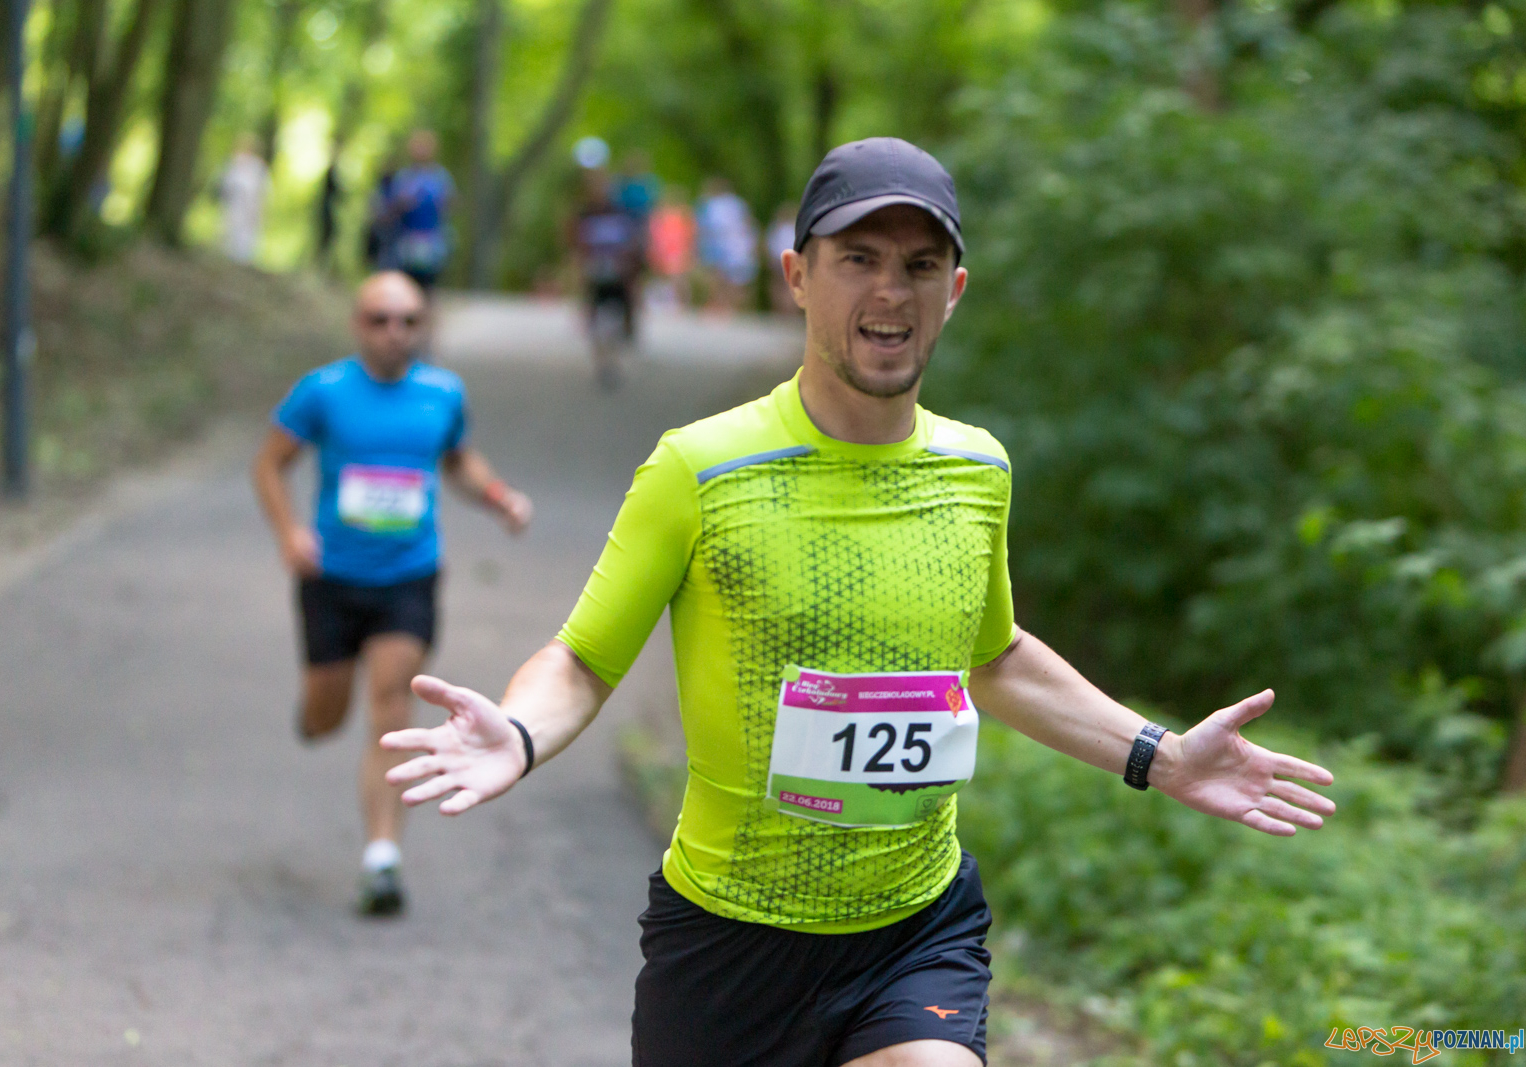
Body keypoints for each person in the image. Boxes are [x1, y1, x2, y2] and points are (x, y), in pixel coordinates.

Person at [381, 139, 1336, 1065]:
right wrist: (517, 729)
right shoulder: (702, 467)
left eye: (921, 264)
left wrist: (1159, 758)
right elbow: (584, 658)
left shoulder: (977, 469)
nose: (891, 290)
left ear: (953, 292)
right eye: (859, 259)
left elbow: (993, 656)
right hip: (729, 944)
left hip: (915, 929)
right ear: (797, 275)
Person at [252, 272, 532, 917]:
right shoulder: (321, 392)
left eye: (408, 320)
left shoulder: (442, 393)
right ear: (358, 325)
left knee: (389, 709)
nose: (394, 332)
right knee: (326, 716)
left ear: (422, 325)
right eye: (380, 319)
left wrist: (499, 499)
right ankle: (317, 710)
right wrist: (290, 532)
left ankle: (382, 859)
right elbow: (269, 462)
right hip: (330, 579)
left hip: (409, 577)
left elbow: (459, 460)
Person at [572, 168, 645, 347]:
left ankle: (628, 326)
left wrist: (629, 260)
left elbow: (632, 238)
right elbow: (576, 238)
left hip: (618, 263)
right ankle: (591, 320)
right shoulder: (585, 213)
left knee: (626, 289)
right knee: (592, 287)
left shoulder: (621, 212)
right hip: (595, 262)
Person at [388, 130, 458, 290]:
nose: (421, 151)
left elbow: (450, 203)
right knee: (408, 284)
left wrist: (445, 203)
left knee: (429, 283)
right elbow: (392, 207)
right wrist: (404, 203)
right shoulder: (404, 177)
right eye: (417, 146)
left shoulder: (440, 177)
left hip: (433, 240)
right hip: (407, 239)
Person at [696, 176, 758, 312]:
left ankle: (724, 303)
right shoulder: (733, 204)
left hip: (726, 244)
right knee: (721, 276)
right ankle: (722, 303)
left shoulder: (717, 204)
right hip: (725, 244)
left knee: (723, 276)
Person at [218, 134, 270, 265]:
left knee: (247, 234)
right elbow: (226, 184)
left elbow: (262, 189)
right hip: (234, 204)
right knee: (231, 230)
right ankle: (230, 259)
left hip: (251, 205)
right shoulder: (234, 163)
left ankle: (243, 261)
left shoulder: (258, 167)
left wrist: (259, 207)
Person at [646, 185, 696, 311]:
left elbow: (690, 235)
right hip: (663, 250)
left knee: (679, 278)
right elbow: (654, 233)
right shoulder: (661, 214)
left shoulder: (684, 215)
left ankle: (682, 303)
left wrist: (688, 250)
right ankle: (662, 301)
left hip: (679, 250)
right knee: (661, 276)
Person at [765, 202, 799, 315]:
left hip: (780, 260)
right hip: (784, 261)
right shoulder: (794, 230)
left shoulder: (779, 229)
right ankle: (785, 309)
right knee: (786, 286)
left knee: (782, 286)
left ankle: (784, 309)